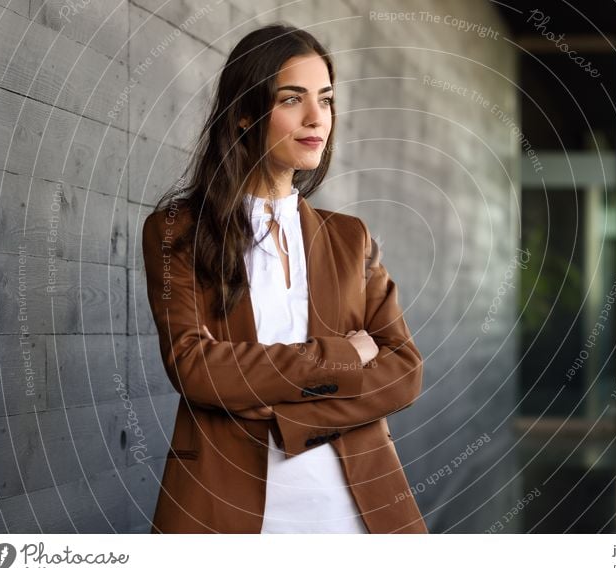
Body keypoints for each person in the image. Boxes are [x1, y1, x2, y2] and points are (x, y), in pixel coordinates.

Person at [141, 23, 427, 533]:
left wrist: (285, 416)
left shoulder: (350, 237)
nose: (318, 118)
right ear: (246, 114)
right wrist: (342, 355)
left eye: (326, 99)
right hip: (227, 510)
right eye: (292, 99)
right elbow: (196, 369)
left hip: (354, 515)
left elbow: (403, 371)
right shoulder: (177, 231)